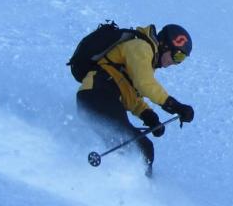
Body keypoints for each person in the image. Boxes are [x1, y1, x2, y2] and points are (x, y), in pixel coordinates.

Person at [76, 23, 195, 177]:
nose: (175, 62)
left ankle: (131, 184)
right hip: (97, 94)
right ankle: (116, 182)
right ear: (165, 45)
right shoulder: (141, 47)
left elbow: (130, 92)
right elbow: (144, 84)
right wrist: (174, 106)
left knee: (144, 147)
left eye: (181, 59)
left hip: (101, 97)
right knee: (132, 145)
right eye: (177, 56)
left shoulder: (145, 60)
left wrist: (148, 115)